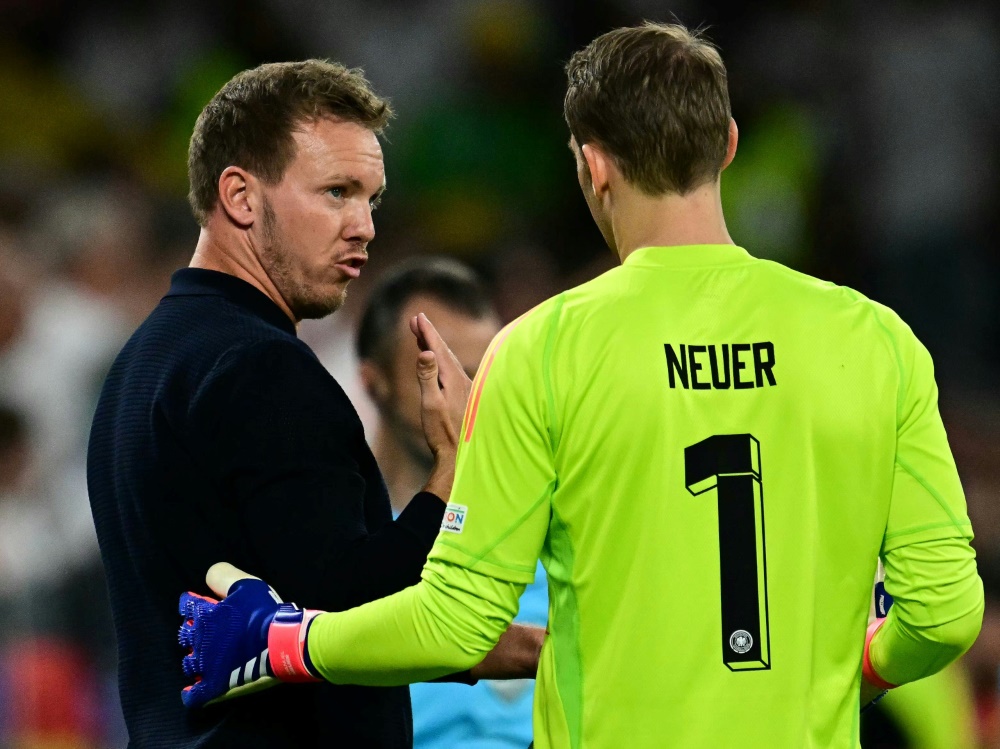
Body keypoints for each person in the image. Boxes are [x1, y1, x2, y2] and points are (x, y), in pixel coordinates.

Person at [181, 24, 985, 748]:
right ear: (730, 145)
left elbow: (459, 623)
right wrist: (859, 667)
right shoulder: (875, 340)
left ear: (592, 165)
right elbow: (945, 614)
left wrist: (284, 642)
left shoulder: (544, 349)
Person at [87, 60, 542, 749]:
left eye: (372, 199)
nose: (363, 226)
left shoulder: (144, 359)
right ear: (240, 195)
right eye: (336, 192)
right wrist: (452, 466)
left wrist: (499, 652)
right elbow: (350, 610)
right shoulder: (262, 368)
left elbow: (287, 612)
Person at [357, 258, 548, 748]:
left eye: (485, 373)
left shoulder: (552, 535)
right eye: (442, 374)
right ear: (374, 383)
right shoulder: (347, 555)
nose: (471, 397)